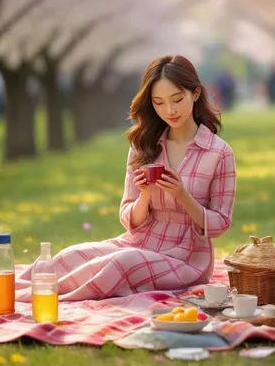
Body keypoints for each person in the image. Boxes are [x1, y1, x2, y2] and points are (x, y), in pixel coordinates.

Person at [15, 55, 237, 301]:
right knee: (69, 256)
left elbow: (221, 223)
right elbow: (128, 218)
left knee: (122, 263)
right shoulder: (144, 146)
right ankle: (13, 288)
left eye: (177, 99)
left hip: (187, 258)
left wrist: (181, 195)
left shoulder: (219, 152)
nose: (169, 111)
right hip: (140, 242)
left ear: (195, 94)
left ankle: (45, 299)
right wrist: (145, 194)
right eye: (159, 103)